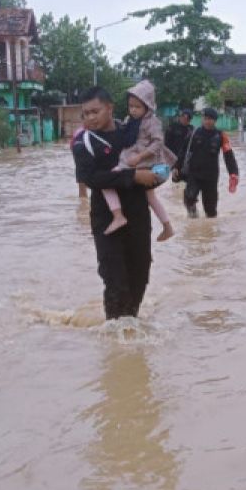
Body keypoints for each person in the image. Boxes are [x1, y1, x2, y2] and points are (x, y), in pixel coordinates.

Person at [72, 87, 160, 320]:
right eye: (86, 113)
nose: (90, 118)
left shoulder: (132, 130)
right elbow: (91, 178)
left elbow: (153, 154)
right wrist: (133, 177)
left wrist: (158, 174)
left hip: (138, 212)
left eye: (95, 111)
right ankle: (114, 334)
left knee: (140, 274)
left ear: (110, 108)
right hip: (107, 217)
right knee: (115, 279)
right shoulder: (84, 141)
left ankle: (131, 327)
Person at [100, 80, 178, 242]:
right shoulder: (131, 120)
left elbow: (158, 143)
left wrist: (140, 157)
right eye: (131, 106)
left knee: (107, 179)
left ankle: (118, 215)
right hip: (141, 162)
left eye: (137, 107)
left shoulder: (152, 122)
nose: (133, 110)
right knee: (150, 197)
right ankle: (167, 227)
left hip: (147, 163)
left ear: (147, 106)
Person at [180, 107, 239, 218]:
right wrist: (176, 168)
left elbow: (229, 155)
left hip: (211, 176)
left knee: (210, 211)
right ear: (202, 119)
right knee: (189, 197)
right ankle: (193, 217)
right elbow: (183, 151)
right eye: (205, 118)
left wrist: (233, 173)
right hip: (194, 173)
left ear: (215, 120)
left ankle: (210, 231)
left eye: (210, 119)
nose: (207, 121)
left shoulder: (221, 136)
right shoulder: (194, 133)